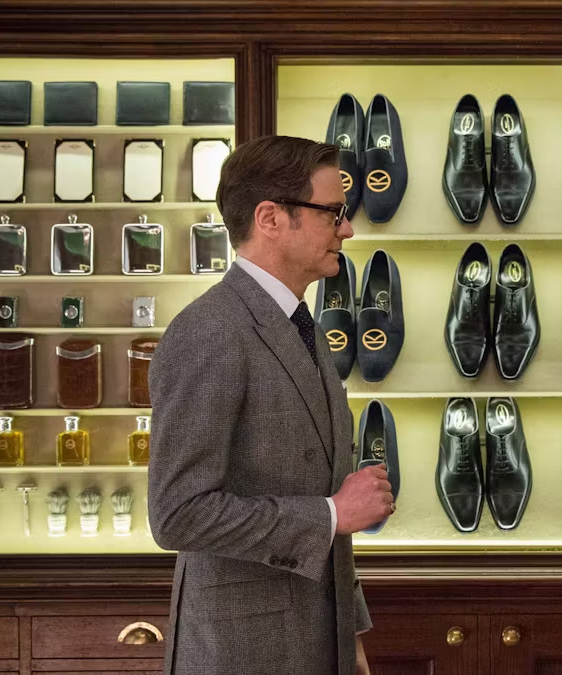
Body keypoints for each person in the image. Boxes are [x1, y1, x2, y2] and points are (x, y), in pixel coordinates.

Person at [148, 135, 394, 675]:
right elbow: (177, 515)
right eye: (332, 213)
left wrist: (350, 633)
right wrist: (333, 513)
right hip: (243, 653)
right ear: (270, 218)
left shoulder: (301, 326)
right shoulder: (209, 332)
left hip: (315, 642)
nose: (348, 229)